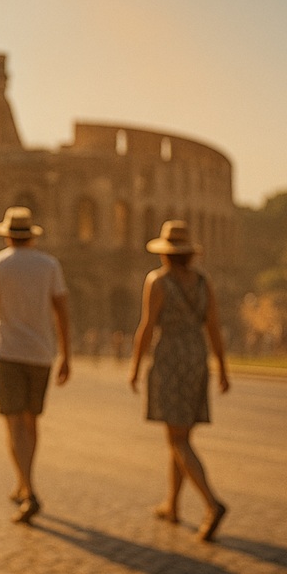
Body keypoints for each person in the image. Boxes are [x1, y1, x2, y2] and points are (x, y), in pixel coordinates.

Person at [0, 207, 71, 524]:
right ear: (31, 236)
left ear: (7, 235)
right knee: (31, 423)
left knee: (13, 425)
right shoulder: (49, 265)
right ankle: (24, 482)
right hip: (41, 354)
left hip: (8, 352)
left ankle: (29, 490)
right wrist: (66, 354)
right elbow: (62, 312)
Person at [128, 219, 229, 542]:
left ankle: (212, 504)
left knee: (177, 440)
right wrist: (223, 367)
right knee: (180, 433)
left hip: (170, 355)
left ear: (166, 254)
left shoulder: (157, 281)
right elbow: (213, 326)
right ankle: (172, 504)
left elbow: (147, 326)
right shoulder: (203, 281)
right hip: (197, 356)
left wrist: (134, 365)